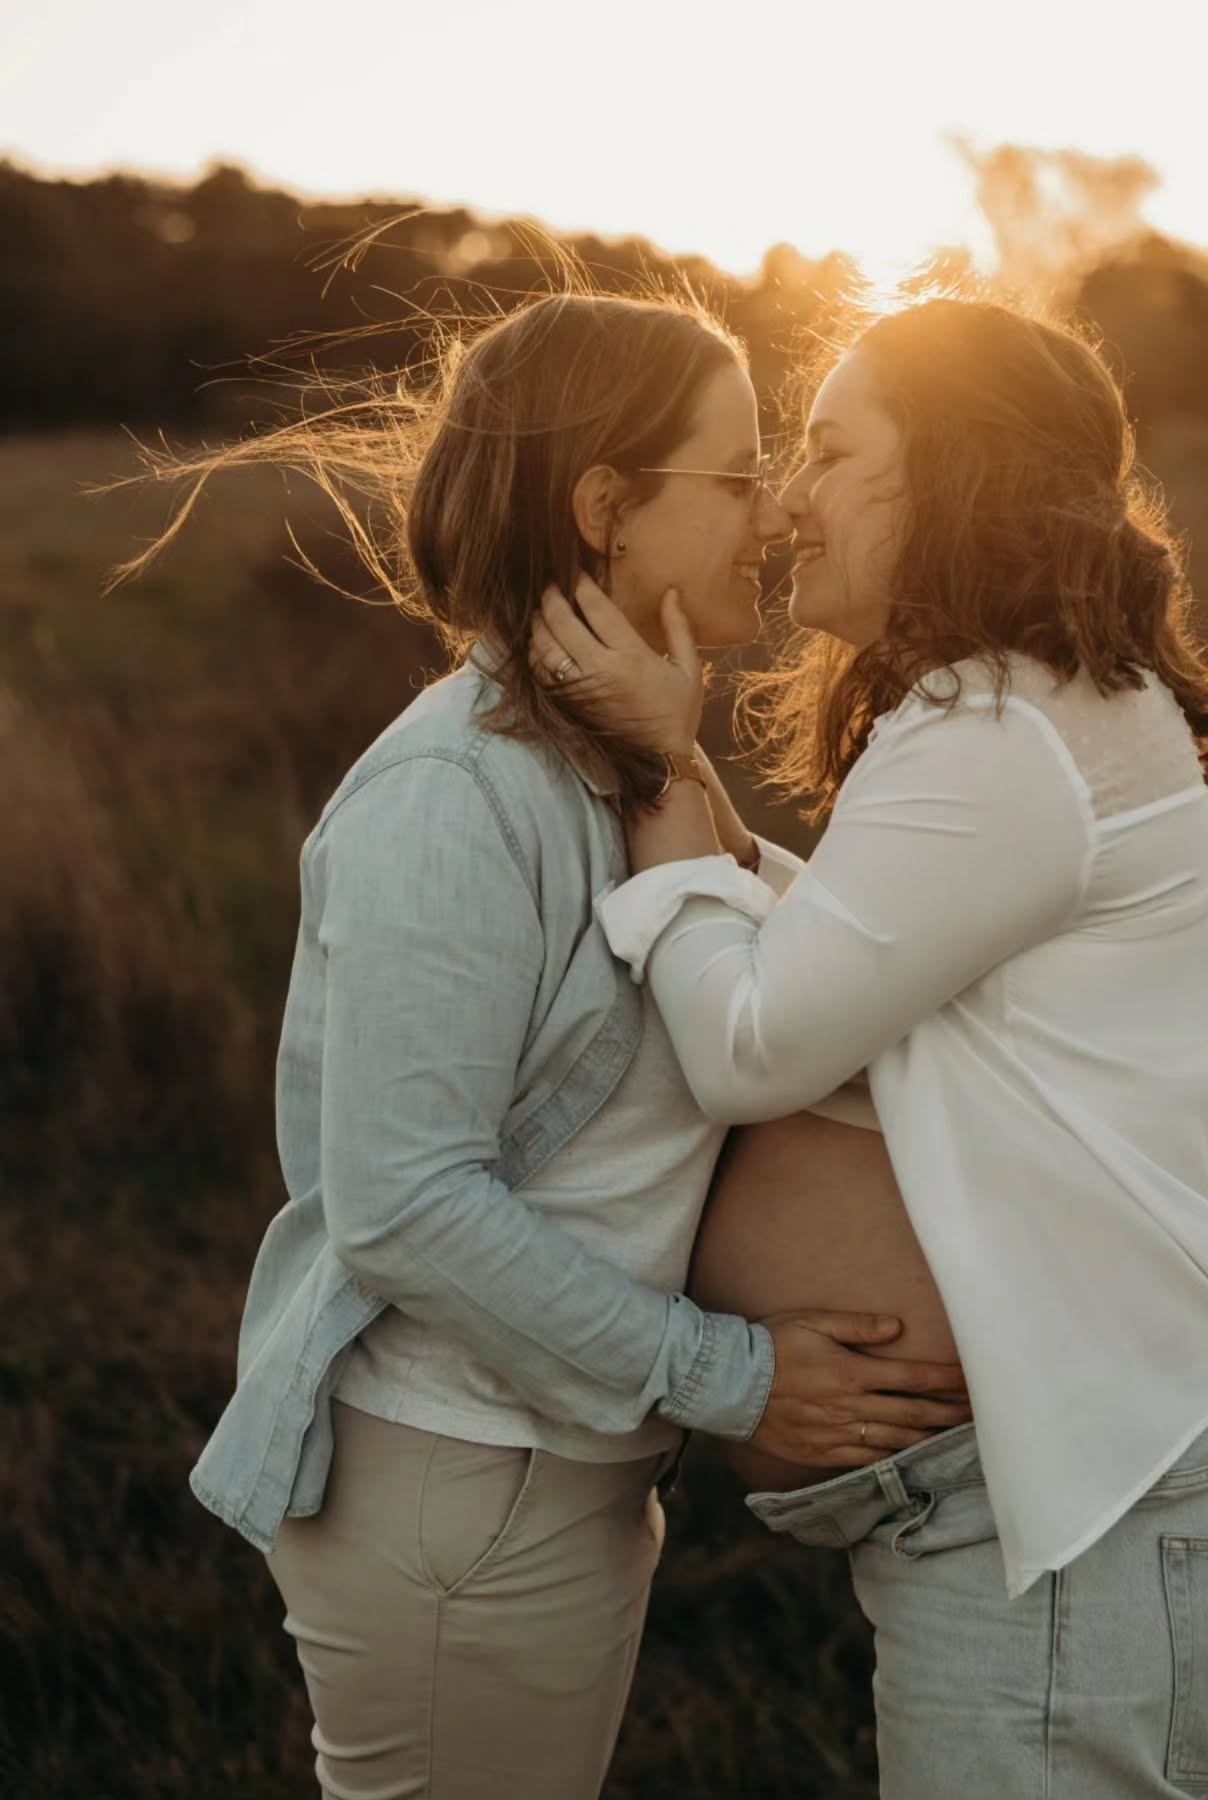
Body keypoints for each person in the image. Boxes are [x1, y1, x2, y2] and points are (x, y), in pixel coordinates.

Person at [112, 289, 970, 1800]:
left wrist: (673, 756)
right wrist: (736, 1378)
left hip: (542, 1479)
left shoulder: (615, 768)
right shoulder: (455, 799)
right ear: (605, 509)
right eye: (734, 475)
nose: (772, 514)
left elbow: (816, 962)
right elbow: (403, 1203)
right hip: (458, 1489)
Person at [531, 294, 1208, 1799]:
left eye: (831, 450)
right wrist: (689, 791)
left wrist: (654, 803)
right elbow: (861, 953)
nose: (788, 498)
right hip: (1080, 1494)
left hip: (1090, 1508)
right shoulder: (1023, 711)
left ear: (951, 474)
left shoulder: (1006, 729)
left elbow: (754, 1048)